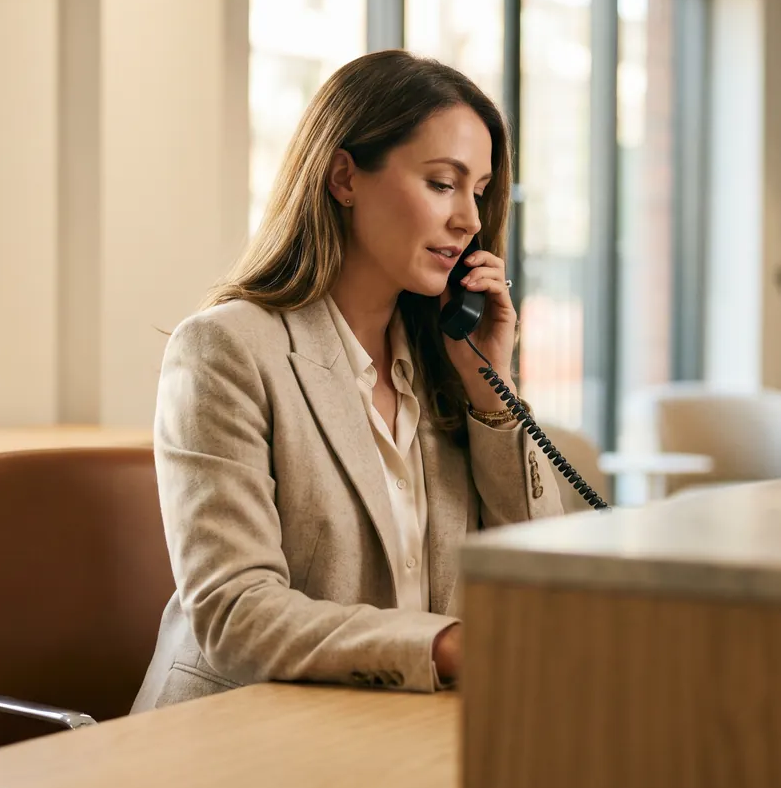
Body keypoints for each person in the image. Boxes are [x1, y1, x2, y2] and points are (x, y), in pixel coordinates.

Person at [131, 50, 563, 710]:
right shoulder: (227, 349)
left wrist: (490, 391)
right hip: (234, 734)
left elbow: (539, 572)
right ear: (344, 177)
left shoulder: (442, 366)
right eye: (443, 183)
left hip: (389, 724)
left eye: (478, 191)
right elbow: (235, 611)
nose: (471, 220)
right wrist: (443, 644)